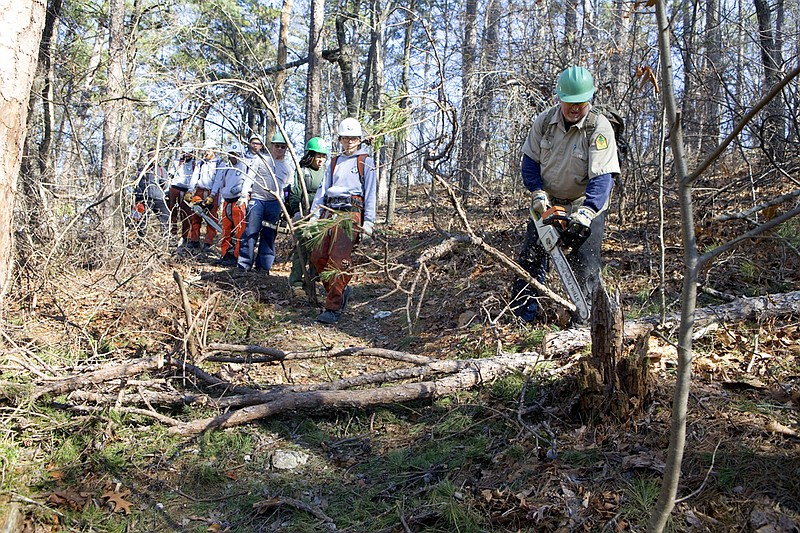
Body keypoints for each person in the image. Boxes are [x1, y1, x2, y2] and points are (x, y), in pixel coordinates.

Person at [511, 65, 620, 324]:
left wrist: (587, 212)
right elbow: (529, 161)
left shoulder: (599, 128)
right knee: (531, 259)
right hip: (548, 202)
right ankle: (522, 316)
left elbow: (603, 177)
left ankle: (584, 324)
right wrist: (537, 192)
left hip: (584, 204)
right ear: (559, 98)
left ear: (589, 100)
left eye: (580, 104)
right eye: (569, 103)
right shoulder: (545, 122)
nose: (574, 109)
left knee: (585, 266)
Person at [308, 118, 376, 324]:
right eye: (345, 138)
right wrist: (314, 216)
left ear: (359, 139)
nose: (349, 142)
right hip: (329, 210)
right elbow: (322, 190)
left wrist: (369, 221)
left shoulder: (366, 161)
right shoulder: (334, 161)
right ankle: (340, 289)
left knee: (338, 259)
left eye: (353, 138)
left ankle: (333, 307)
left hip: (351, 213)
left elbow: (371, 192)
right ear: (340, 139)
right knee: (318, 255)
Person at [237, 131, 294, 273]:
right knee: (250, 232)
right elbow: (249, 177)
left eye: (283, 147)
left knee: (269, 234)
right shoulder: (261, 160)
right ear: (271, 146)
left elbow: (288, 188)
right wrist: (244, 195)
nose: (279, 149)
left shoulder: (288, 167)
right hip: (257, 200)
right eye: (277, 146)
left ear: (286, 148)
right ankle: (244, 265)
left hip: (275, 203)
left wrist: (285, 206)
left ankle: (263, 267)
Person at [287, 137, 329, 297]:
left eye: (323, 156)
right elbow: (295, 191)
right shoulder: (302, 170)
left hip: (321, 215)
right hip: (304, 214)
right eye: (318, 156)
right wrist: (296, 212)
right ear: (310, 156)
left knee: (318, 250)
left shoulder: (327, 172)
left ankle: (312, 283)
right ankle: (296, 283)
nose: (321, 160)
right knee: (301, 250)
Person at [212, 142, 251, 266]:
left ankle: (237, 256)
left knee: (240, 230)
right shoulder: (226, 168)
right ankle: (225, 254)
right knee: (226, 230)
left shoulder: (245, 166)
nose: (233, 157)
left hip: (239, 201)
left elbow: (249, 183)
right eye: (231, 154)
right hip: (227, 201)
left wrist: (241, 191)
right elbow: (221, 183)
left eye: (236, 154)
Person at [185, 139, 222, 253]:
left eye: (208, 150)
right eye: (205, 150)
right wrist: (190, 191)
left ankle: (208, 242)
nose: (206, 152)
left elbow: (218, 180)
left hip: (212, 192)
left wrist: (213, 195)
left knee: (211, 218)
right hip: (199, 191)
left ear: (214, 150)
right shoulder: (200, 163)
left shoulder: (220, 163)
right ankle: (194, 240)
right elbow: (195, 177)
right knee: (195, 215)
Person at [132, 149, 170, 239]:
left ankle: (165, 239)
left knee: (166, 216)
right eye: (150, 155)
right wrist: (138, 199)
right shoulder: (142, 169)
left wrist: (161, 193)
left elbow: (165, 184)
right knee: (141, 220)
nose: (152, 157)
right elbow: (137, 184)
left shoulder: (161, 170)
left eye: (154, 155)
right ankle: (140, 239)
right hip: (144, 198)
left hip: (158, 198)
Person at [168, 142, 196, 251]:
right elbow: (170, 175)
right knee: (173, 212)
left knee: (186, 214)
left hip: (187, 191)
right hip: (175, 188)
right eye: (185, 153)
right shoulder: (177, 162)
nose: (186, 155)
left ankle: (185, 237)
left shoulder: (195, 164)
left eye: (189, 153)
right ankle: (172, 235)